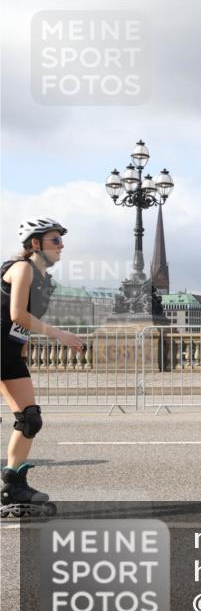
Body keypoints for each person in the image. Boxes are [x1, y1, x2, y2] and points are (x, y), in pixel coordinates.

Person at [1, 218, 84, 517]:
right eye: (55, 240)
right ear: (35, 244)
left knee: (30, 420)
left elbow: (19, 327)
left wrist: (21, 352)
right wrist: (60, 335)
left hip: (8, 355)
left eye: (61, 240)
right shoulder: (22, 268)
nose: (61, 246)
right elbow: (17, 314)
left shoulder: (43, 279)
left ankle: (13, 484)